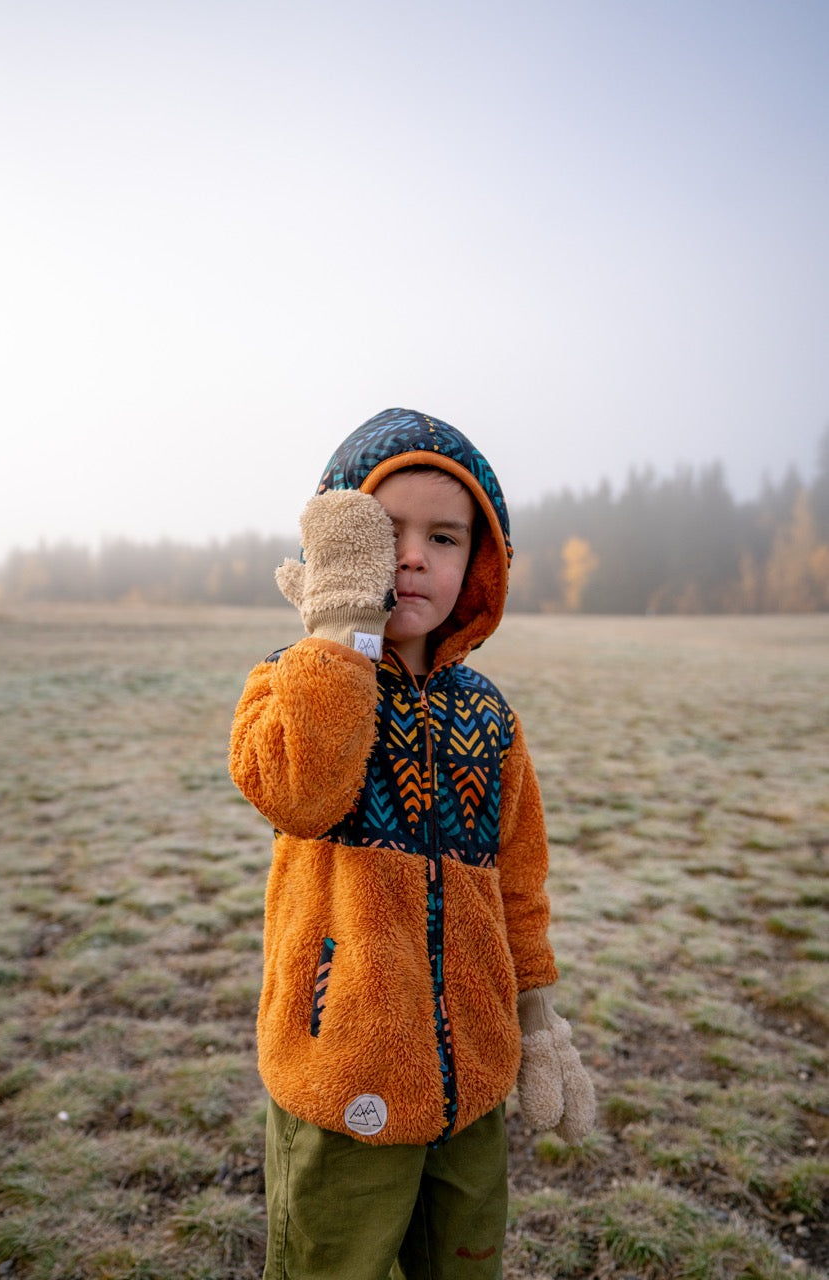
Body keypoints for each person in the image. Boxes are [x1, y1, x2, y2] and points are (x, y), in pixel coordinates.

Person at [229, 407, 595, 1280]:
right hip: (342, 1070)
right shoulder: (294, 680)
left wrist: (537, 1021)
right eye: (384, 531)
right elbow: (299, 793)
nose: (413, 555)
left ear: (480, 563)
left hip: (471, 1081)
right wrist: (339, 630)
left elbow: (519, 884)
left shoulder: (490, 718)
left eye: (445, 536)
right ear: (337, 535)